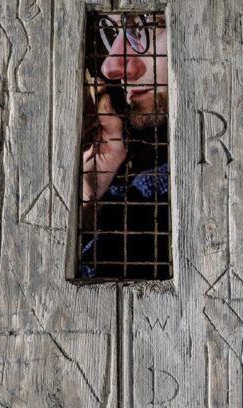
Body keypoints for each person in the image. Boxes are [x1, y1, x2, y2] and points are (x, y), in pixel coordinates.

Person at [80, 13, 170, 279]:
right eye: (111, 32)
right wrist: (87, 200)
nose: (110, 67)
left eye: (144, 26)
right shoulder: (140, 200)